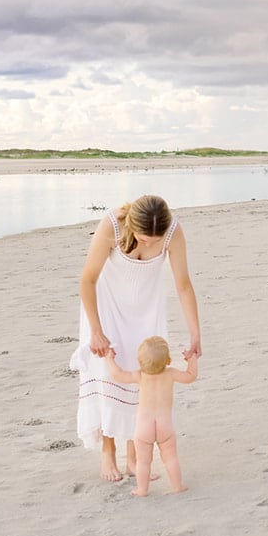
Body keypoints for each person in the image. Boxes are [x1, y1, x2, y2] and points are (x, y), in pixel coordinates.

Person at [70, 194, 201, 481]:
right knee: (108, 373)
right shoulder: (112, 225)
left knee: (143, 377)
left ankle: (133, 457)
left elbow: (183, 284)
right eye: (143, 238)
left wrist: (195, 333)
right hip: (106, 308)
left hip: (146, 308)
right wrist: (96, 330)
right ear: (131, 224)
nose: (150, 244)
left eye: (156, 240)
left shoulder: (173, 231)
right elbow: (88, 279)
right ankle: (108, 452)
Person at [104, 336, 197, 496]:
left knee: (143, 461)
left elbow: (117, 375)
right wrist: (192, 360)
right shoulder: (171, 374)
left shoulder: (139, 375)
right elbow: (190, 376)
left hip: (144, 428)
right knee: (170, 458)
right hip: (164, 427)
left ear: (140, 362)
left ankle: (142, 489)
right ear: (168, 360)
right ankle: (177, 486)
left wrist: (109, 359)